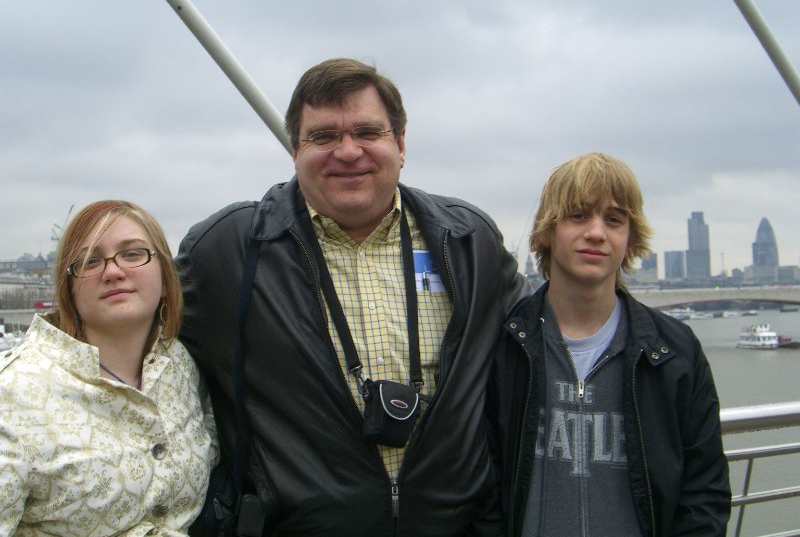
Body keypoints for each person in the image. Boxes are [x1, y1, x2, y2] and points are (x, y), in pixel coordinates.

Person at [177, 57, 529, 535]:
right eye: (322, 136)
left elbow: (535, 356)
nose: (347, 151)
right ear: (294, 149)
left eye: (367, 132)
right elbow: (137, 352)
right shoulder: (227, 251)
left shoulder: (468, 242)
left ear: (400, 145)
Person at [488, 153, 731, 536]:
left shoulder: (674, 352)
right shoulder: (504, 346)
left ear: (630, 240)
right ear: (547, 231)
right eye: (578, 216)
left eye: (614, 220)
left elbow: (704, 489)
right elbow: (483, 482)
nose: (597, 233)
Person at [0, 200, 217, 536]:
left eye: (132, 254)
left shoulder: (180, 366)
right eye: (90, 261)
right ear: (69, 287)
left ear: (164, 273)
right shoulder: (13, 394)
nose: (113, 271)